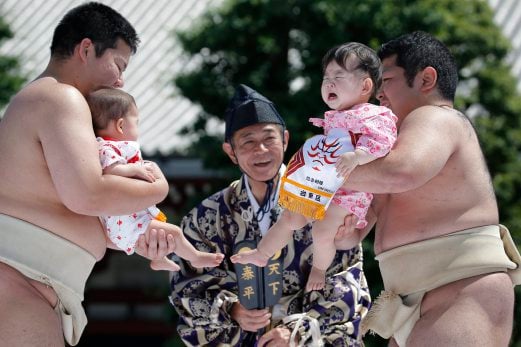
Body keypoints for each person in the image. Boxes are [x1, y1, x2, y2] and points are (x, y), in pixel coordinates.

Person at [0, 3, 176, 346]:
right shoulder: (59, 97)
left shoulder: (47, 101)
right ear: (86, 49)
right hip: (19, 279)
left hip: (30, 281)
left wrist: (135, 233)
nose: (120, 80)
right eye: (119, 64)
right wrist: (158, 188)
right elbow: (88, 195)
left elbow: (72, 205)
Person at [338, 31, 521, 346]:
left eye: (387, 80)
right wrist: (349, 230)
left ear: (426, 79)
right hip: (410, 294)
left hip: (458, 287)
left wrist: (321, 174)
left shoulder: (436, 117)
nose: (378, 93)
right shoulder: (393, 142)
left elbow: (402, 173)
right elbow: (380, 200)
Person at [169, 84, 372, 347]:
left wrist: (297, 332)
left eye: (269, 139)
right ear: (231, 151)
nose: (261, 150)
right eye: (248, 142)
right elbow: (185, 287)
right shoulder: (207, 218)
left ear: (285, 140)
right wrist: (231, 310)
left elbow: (347, 280)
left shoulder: (328, 201)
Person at [231, 43, 397, 292]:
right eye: (326, 78)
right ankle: (262, 253)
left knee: (322, 230)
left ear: (365, 86)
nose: (329, 83)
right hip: (324, 186)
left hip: (349, 194)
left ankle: (318, 270)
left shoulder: (374, 115)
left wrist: (358, 156)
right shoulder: (337, 117)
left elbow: (383, 142)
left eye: (338, 77)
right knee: (290, 216)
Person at [87, 88, 224, 271]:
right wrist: (135, 168)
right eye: (136, 123)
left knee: (160, 233)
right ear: (121, 126)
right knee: (174, 232)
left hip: (124, 221)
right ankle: (195, 257)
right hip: (125, 220)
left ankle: (160, 260)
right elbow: (112, 169)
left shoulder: (106, 147)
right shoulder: (108, 147)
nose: (138, 129)